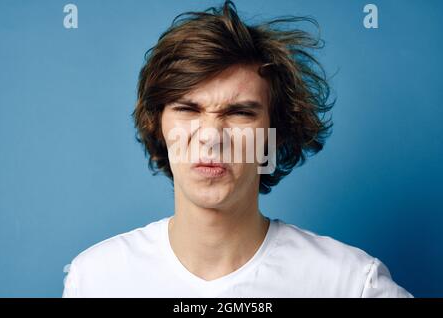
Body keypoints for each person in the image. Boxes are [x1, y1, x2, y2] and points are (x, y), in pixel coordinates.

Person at [62, 1, 413, 298]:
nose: (211, 137)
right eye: (188, 109)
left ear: (274, 135)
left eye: (240, 112)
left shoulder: (350, 284)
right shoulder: (96, 279)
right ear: (158, 125)